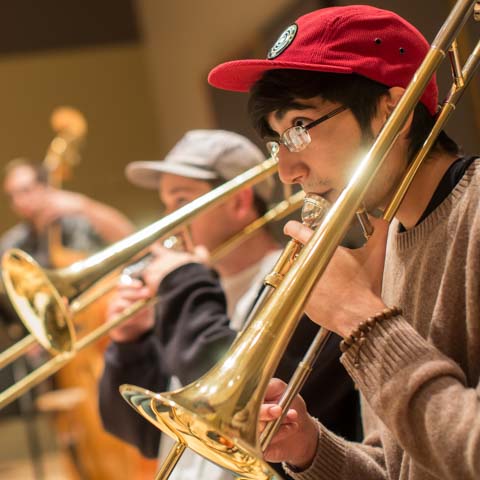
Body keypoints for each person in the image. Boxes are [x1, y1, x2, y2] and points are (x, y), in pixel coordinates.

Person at [208, 4, 480, 480]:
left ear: (389, 110)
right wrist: (309, 447)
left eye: (298, 129)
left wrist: (360, 318)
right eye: (277, 142)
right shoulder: (396, 236)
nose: (287, 173)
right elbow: (402, 466)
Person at [98, 129, 361, 480]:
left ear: (239, 202)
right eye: (166, 203)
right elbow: (143, 434)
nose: (167, 219)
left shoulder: (298, 281)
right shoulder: (192, 289)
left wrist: (184, 282)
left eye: (180, 201)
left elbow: (244, 399)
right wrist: (129, 345)